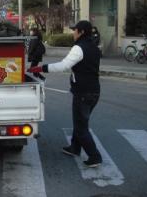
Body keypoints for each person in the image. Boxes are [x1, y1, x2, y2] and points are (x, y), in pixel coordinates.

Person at [27, 20, 102, 168]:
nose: (73, 33)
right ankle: (75, 148)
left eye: (75, 30)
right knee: (80, 122)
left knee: (81, 127)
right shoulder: (94, 47)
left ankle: (94, 156)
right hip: (94, 91)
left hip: (83, 92)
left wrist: (41, 68)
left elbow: (63, 65)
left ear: (81, 32)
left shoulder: (79, 48)